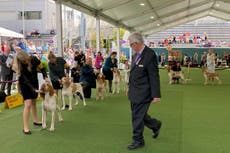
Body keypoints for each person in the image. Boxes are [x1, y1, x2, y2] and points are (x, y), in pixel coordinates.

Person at [127, 32, 161, 150]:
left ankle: (138, 140)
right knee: (140, 114)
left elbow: (154, 75)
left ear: (136, 43)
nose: (131, 47)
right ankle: (155, 125)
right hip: (134, 91)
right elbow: (133, 74)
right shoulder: (135, 55)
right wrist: (128, 88)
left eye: (131, 45)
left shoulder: (150, 54)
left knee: (136, 116)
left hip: (144, 92)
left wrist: (156, 94)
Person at [15, 50, 48, 135]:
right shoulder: (21, 66)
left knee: (33, 102)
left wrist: (45, 76)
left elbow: (42, 68)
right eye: (22, 61)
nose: (25, 62)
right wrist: (33, 89)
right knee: (28, 103)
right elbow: (25, 80)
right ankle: (25, 127)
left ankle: (35, 120)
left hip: (34, 81)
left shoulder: (34, 59)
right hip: (25, 85)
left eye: (25, 60)